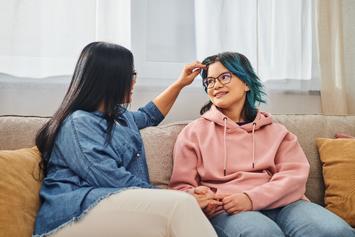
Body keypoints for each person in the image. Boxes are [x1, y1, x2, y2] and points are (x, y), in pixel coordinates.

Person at [33, 42, 217, 237]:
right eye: (130, 75)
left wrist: (180, 83)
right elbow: (110, 178)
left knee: (179, 209)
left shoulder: (120, 117)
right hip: (73, 215)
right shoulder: (79, 123)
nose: (133, 81)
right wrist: (181, 195)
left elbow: (149, 115)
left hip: (107, 206)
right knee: (181, 205)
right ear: (111, 80)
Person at [169, 52, 355, 237]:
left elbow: (294, 177)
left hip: (286, 204)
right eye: (209, 81)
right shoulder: (193, 133)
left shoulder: (277, 131)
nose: (216, 85)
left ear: (246, 83)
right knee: (263, 233)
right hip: (228, 209)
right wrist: (199, 197)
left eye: (224, 77)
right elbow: (181, 188)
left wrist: (251, 198)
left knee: (336, 231)